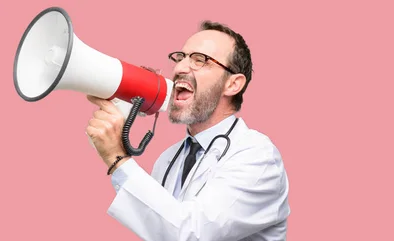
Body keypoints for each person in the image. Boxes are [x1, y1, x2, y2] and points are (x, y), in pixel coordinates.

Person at [85, 20, 291, 241]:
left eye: (200, 60)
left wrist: (117, 159)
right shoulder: (168, 158)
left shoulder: (257, 156)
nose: (180, 68)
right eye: (180, 57)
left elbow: (192, 234)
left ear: (233, 84)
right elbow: (161, 231)